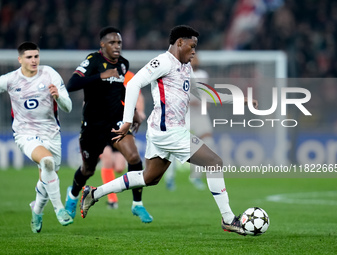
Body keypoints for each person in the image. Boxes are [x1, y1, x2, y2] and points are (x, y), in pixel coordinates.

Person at [80, 25, 258, 235]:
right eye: (192, 47)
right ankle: (228, 219)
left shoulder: (186, 67)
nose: (194, 52)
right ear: (179, 43)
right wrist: (127, 120)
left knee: (149, 178)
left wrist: (239, 98)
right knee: (215, 162)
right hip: (169, 132)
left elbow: (202, 92)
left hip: (163, 131)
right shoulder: (163, 61)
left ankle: (94, 193)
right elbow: (135, 83)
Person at [65, 27, 153, 223]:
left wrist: (135, 113)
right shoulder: (92, 61)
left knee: (134, 158)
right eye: (112, 43)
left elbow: (119, 90)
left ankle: (137, 204)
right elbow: (71, 85)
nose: (117, 46)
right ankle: (72, 196)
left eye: (119, 43)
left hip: (115, 121)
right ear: (102, 45)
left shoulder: (123, 64)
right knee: (88, 170)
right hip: (93, 126)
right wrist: (100, 76)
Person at [0, 41, 73, 233]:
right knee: (47, 161)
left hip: (52, 134)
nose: (34, 60)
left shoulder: (49, 74)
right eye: (29, 57)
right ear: (20, 59)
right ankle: (59, 210)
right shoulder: (10, 80)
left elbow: (68, 107)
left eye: (36, 56)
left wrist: (59, 97)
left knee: (47, 178)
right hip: (25, 134)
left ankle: (37, 210)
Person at [164, 54, 213, 191]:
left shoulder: (203, 74)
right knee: (175, 145)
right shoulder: (179, 73)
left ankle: (196, 176)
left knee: (206, 142)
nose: (196, 59)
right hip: (184, 113)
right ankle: (169, 177)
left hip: (199, 113)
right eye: (193, 57)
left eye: (197, 57)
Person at [100, 70, 146, 209]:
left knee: (119, 167)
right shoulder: (100, 73)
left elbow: (139, 97)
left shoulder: (129, 76)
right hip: (102, 123)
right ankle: (112, 200)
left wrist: (140, 112)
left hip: (121, 124)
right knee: (107, 159)